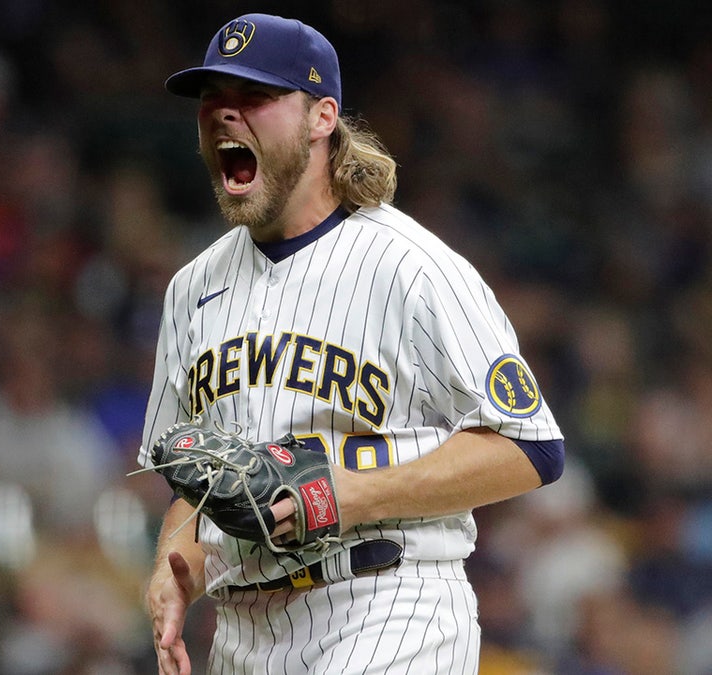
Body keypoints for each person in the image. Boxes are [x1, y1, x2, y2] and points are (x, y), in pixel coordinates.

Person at [139, 13, 565, 674]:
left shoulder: (413, 266)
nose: (224, 116)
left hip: (387, 605)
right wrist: (178, 570)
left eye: (253, 98)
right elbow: (198, 479)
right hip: (243, 631)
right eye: (211, 102)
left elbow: (532, 445)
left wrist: (350, 491)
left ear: (322, 116)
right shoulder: (190, 289)